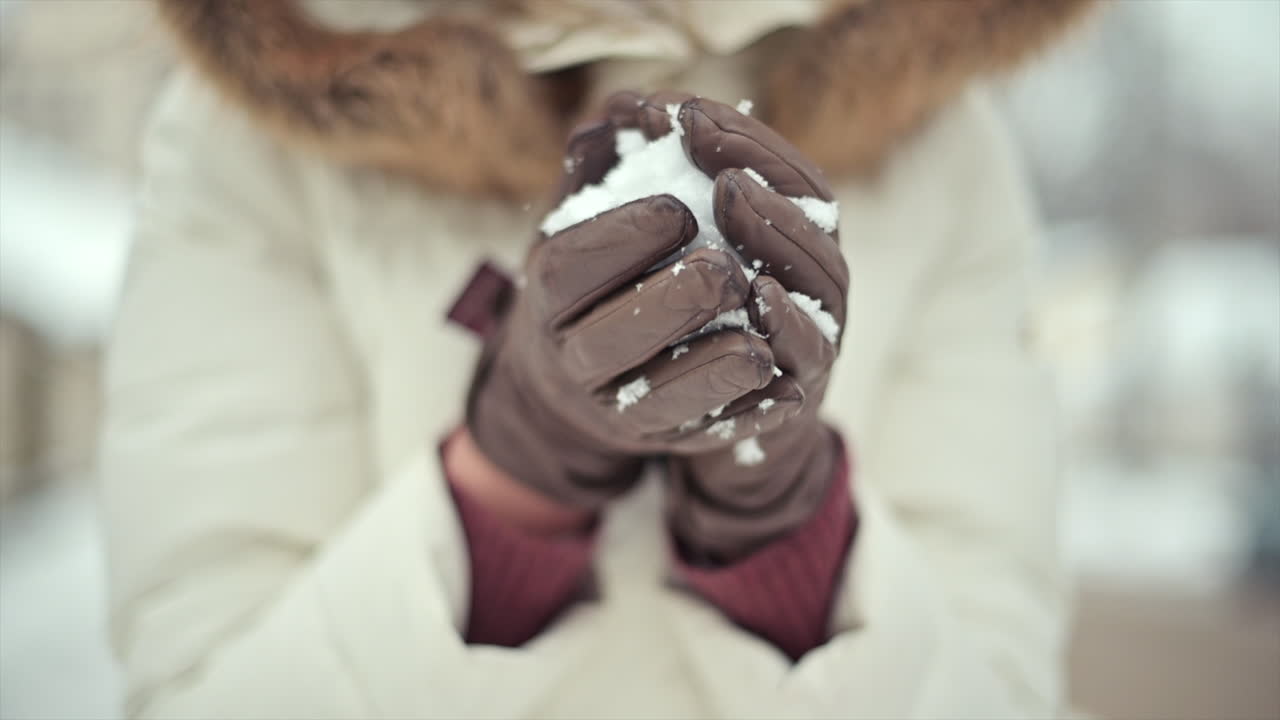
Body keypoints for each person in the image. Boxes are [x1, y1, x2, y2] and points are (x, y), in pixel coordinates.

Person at [100, 1, 1096, 717]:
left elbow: (999, 688)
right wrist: (514, 477)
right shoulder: (251, 138)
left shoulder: (939, 137)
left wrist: (779, 523)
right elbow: (200, 687)